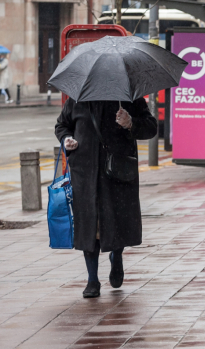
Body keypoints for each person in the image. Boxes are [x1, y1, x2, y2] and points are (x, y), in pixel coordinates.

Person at [55, 97, 158, 298]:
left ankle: (116, 255)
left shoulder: (127, 98)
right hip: (85, 172)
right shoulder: (78, 99)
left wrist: (131, 123)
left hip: (116, 172)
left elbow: (151, 126)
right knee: (89, 225)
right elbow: (62, 125)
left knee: (115, 220)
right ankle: (92, 280)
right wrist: (66, 138)